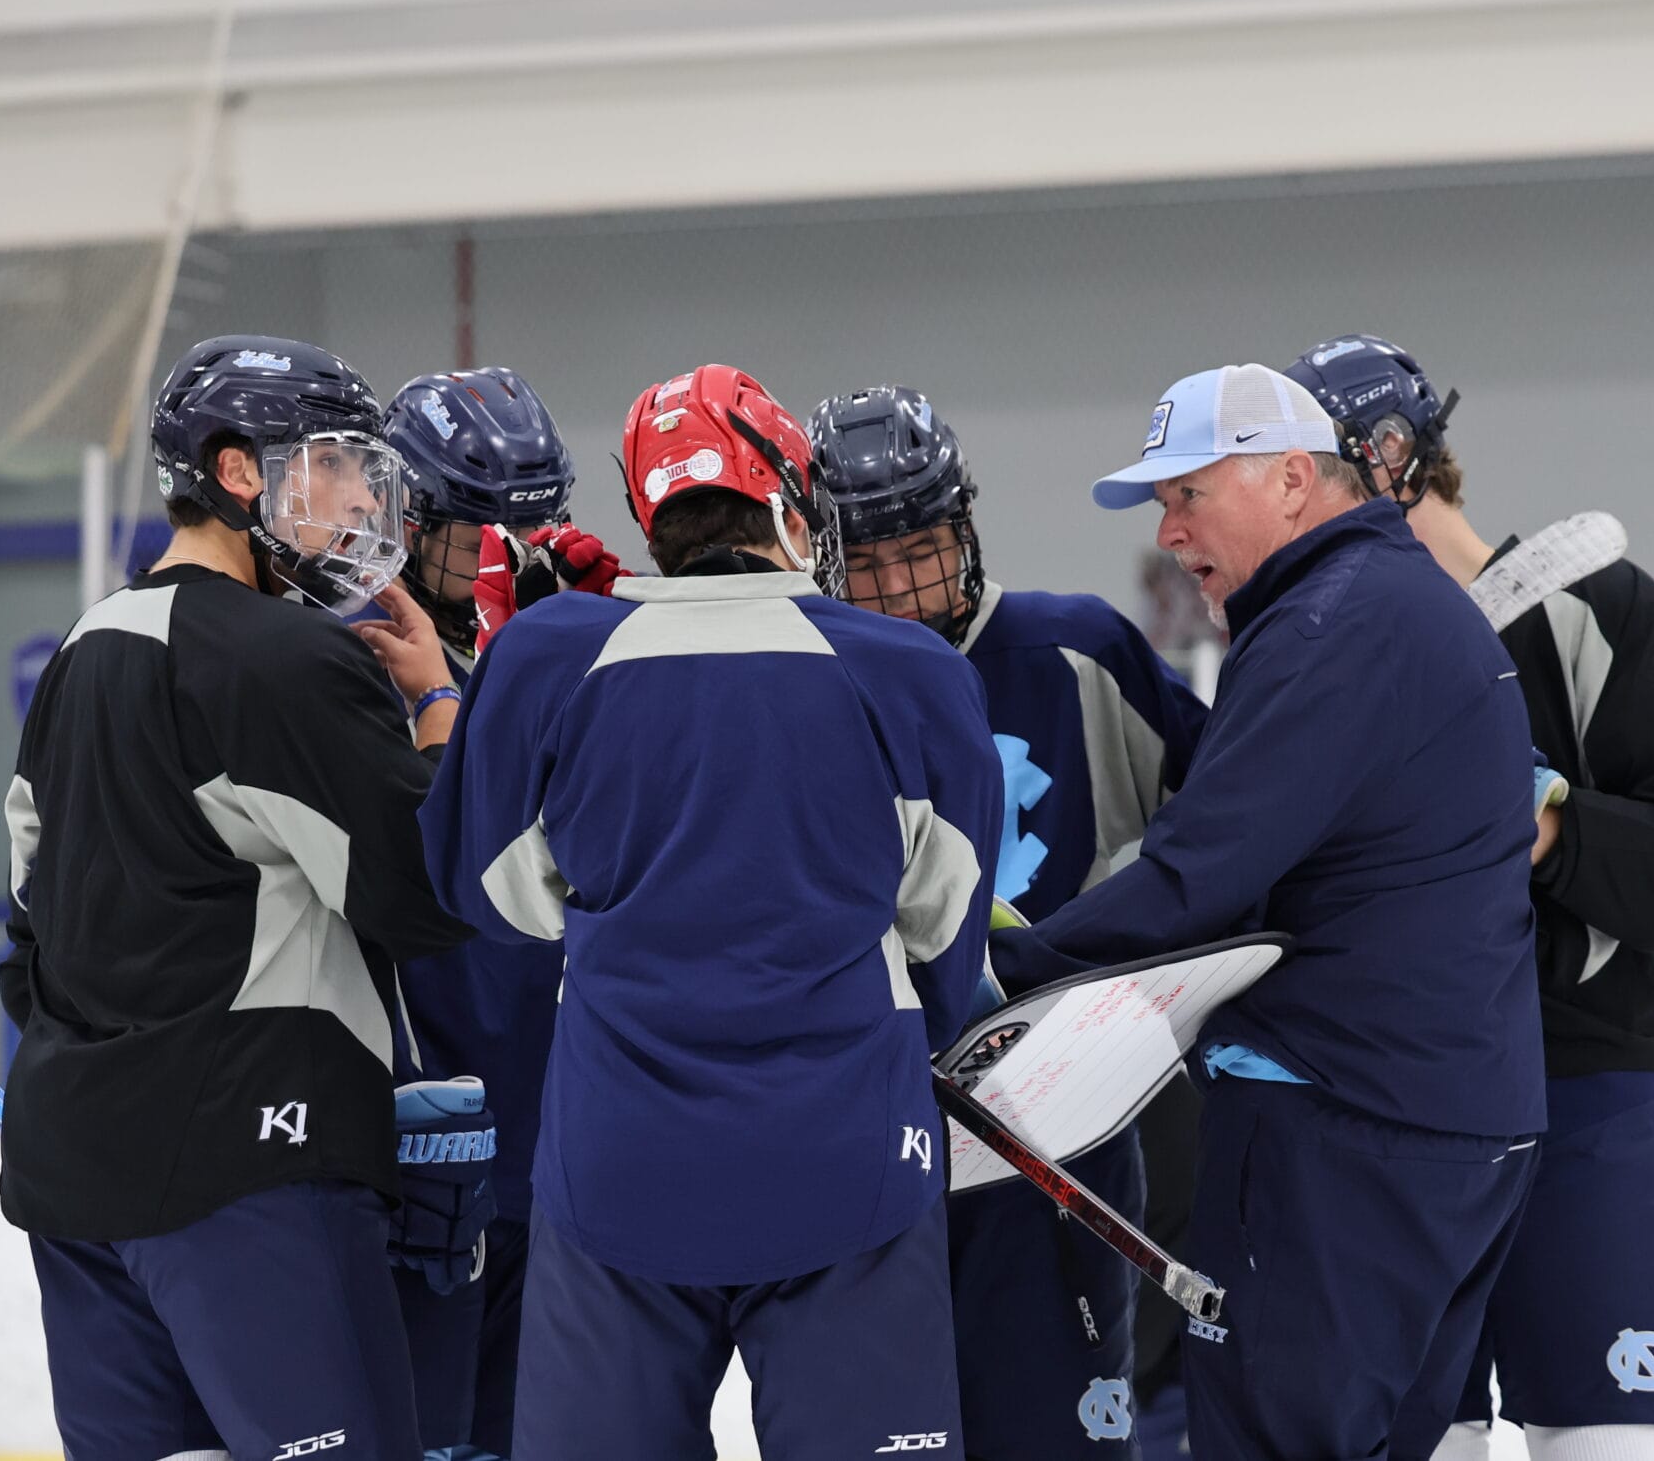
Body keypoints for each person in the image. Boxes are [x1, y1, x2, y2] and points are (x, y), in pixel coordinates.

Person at [418, 363, 1006, 1461]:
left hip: (618, 1163)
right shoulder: (909, 669)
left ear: (649, 512)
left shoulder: (552, 657)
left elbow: (490, 896)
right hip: (850, 1158)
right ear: (788, 497)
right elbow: (941, 928)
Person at [988, 363, 1545, 1461]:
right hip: (1459, 1122)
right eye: (1160, 505)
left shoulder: (1328, 626)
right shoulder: (1403, 602)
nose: (1171, 530)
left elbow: (1201, 873)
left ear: (1293, 479)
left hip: (1341, 1129)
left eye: (1188, 495)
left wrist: (1004, 980)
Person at [0, 334, 473, 1461]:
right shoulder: (283, 659)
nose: (363, 497)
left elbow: (29, 926)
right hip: (250, 1172)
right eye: (338, 465)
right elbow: (432, 892)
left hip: (74, 1172)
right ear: (239, 472)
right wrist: (443, 710)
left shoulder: (84, 645)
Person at [1288, 335, 1654, 1461]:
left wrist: (1535, 816)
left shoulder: (1600, 611)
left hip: (1586, 1089)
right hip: (1397, 1111)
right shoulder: (1318, 652)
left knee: (1610, 1444)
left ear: (1389, 458)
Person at [808, 383, 1210, 1457]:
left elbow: (1223, 819)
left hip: (1065, 1132)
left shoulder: (1073, 648)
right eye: (871, 562)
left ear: (967, 530)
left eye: (923, 550)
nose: (898, 588)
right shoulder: (799, 684)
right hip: (868, 1134)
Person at [378, 366, 618, 1461]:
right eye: (477, 525)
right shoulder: (350, 661)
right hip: (425, 1142)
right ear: (407, 515)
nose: (504, 550)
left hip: (567, 1129)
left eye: (529, 523)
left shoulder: (564, 645)